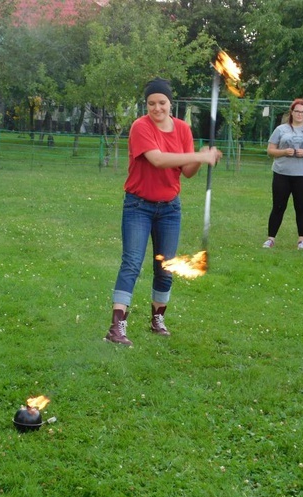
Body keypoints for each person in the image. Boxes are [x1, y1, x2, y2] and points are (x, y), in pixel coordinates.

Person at [104, 78, 222, 347]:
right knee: (132, 262)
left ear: (171, 103)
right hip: (138, 206)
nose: (156, 108)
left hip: (170, 208)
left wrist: (204, 158)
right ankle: (116, 327)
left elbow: (188, 173)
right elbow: (157, 160)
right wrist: (196, 157)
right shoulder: (140, 127)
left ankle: (158, 320)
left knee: (165, 266)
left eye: (162, 103)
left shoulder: (182, 129)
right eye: (151, 103)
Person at [263, 99, 303, 250]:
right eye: (297, 111)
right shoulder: (281, 129)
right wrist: (284, 152)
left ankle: (301, 240)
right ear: (292, 112)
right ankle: (270, 238)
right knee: (278, 206)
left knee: (301, 207)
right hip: (281, 173)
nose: (300, 114)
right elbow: (270, 150)